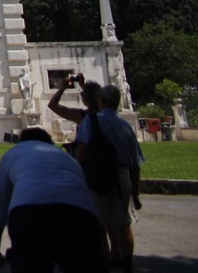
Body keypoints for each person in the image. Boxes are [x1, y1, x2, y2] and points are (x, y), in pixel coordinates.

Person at [0, 127, 103, 271]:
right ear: (49, 142)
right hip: (80, 213)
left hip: (29, 213)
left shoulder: (12, 154)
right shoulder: (68, 159)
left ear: (21, 141)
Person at [75, 85, 144, 272]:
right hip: (121, 175)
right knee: (123, 225)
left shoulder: (90, 121)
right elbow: (135, 164)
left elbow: (81, 151)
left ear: (101, 101)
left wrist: (79, 175)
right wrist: (135, 195)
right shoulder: (125, 127)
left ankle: (104, 262)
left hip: (96, 176)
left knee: (98, 224)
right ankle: (127, 265)